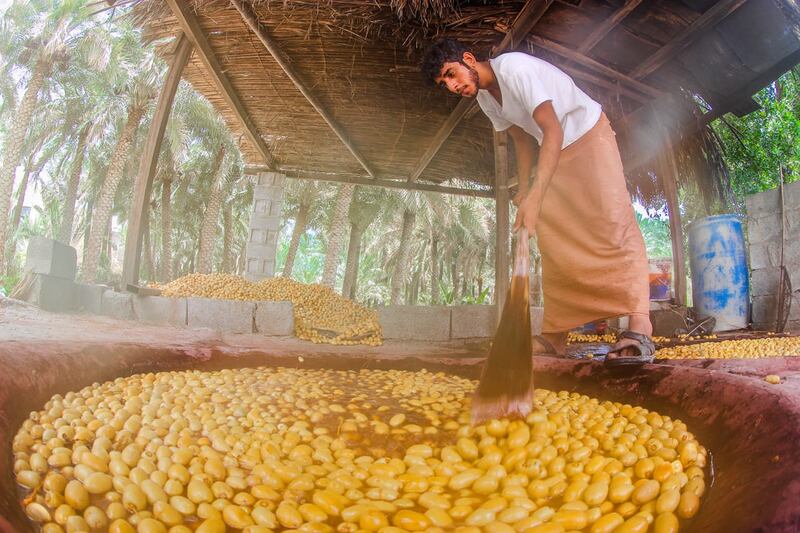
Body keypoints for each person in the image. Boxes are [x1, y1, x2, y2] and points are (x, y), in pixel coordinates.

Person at [420, 38, 655, 364]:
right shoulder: (486, 98)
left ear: (469, 59)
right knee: (555, 237)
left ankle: (640, 324)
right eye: (443, 83)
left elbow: (552, 129)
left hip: (587, 136)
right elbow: (520, 138)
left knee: (613, 221)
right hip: (553, 150)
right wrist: (525, 188)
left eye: (450, 74)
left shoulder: (515, 69)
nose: (452, 86)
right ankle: (556, 334)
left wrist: (536, 194)